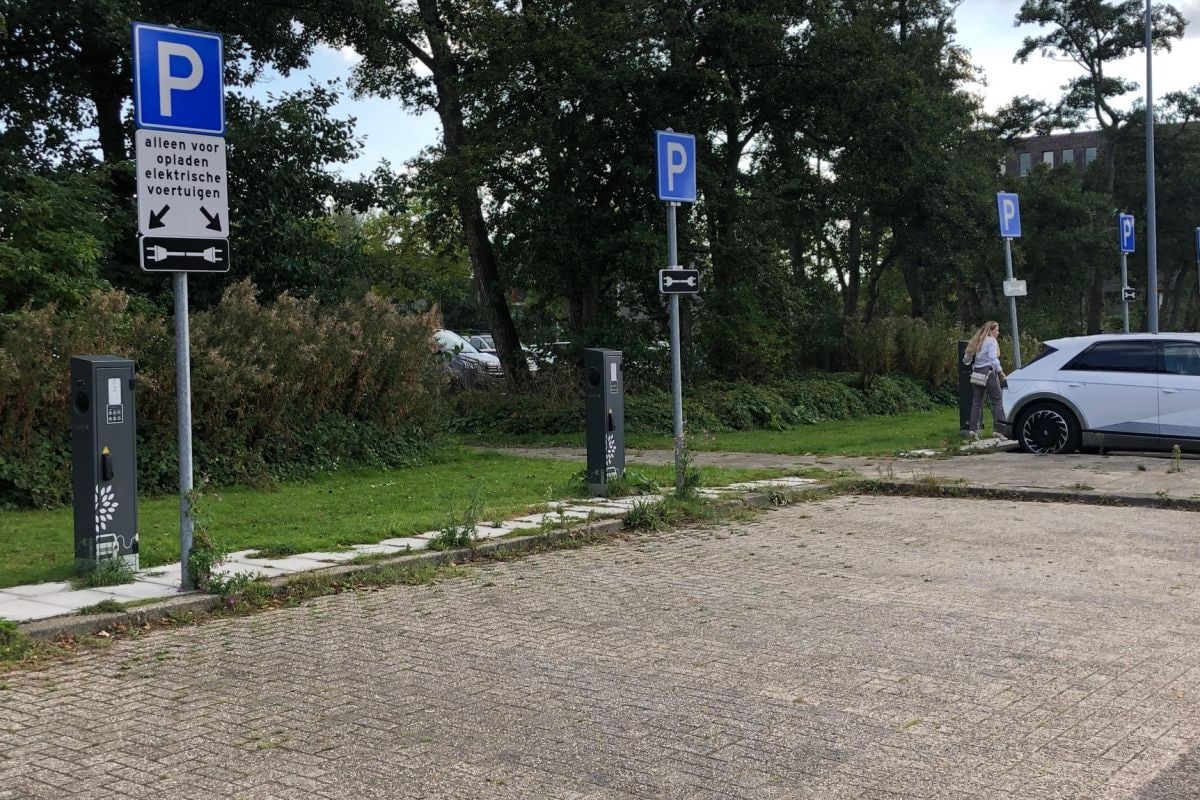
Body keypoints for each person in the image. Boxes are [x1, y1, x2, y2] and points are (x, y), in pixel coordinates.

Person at [963, 320, 1007, 440]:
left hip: (977, 373)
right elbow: (993, 358)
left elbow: (966, 359)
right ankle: (998, 431)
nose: (998, 332)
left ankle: (972, 431)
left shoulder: (977, 340)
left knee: (976, 402)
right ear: (991, 330)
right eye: (997, 330)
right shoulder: (992, 341)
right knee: (997, 401)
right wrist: (1001, 372)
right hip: (989, 373)